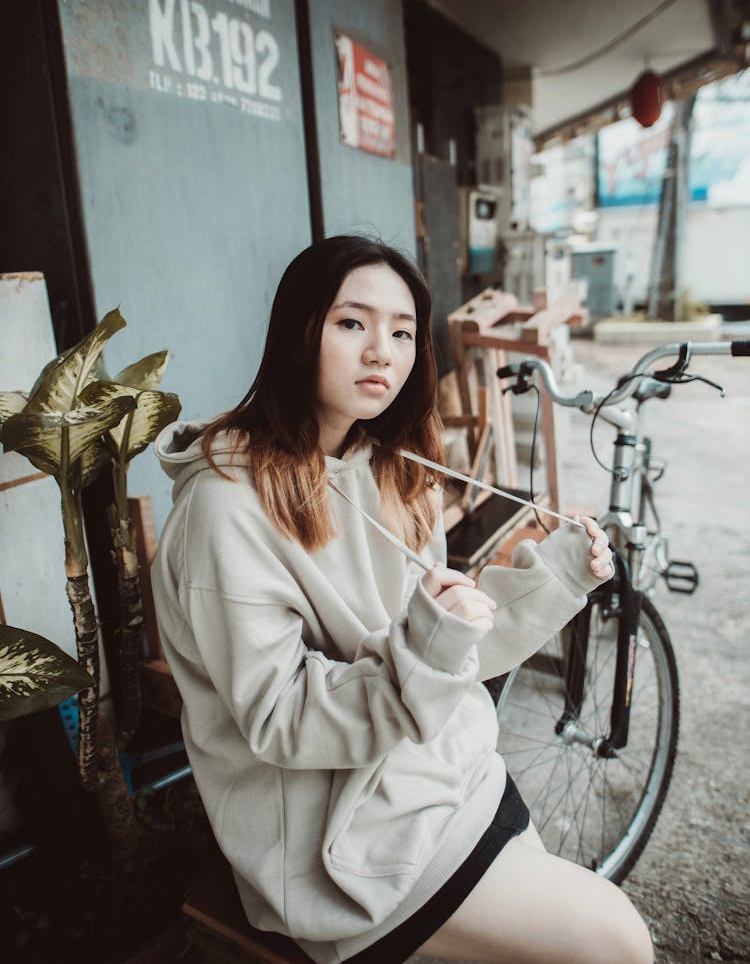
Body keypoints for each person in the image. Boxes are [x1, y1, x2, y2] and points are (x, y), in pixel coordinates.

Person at [152, 235, 653, 964]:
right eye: (352, 323)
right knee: (618, 942)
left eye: (402, 332)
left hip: (441, 775)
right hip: (340, 843)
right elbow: (279, 715)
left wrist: (558, 575)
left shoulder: (383, 466)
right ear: (299, 331)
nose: (381, 351)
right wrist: (427, 646)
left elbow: (447, 649)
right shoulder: (225, 508)